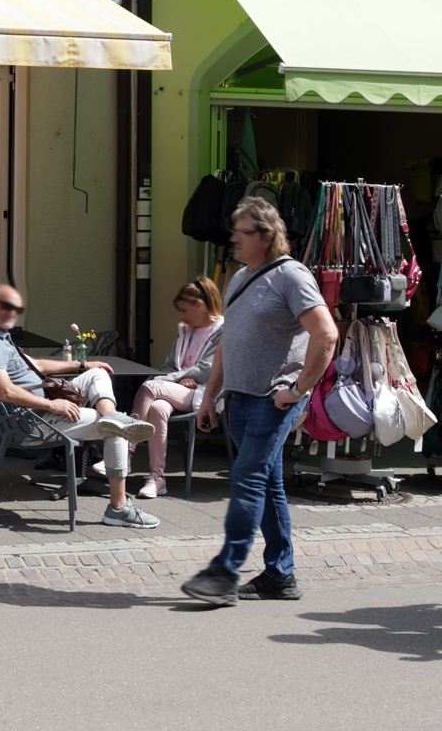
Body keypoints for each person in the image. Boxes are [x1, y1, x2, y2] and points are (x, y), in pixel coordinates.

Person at [182, 198, 338, 607]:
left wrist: (298, 390)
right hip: (240, 399)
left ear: (266, 237)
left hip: (274, 401)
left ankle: (223, 573)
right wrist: (209, 396)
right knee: (267, 485)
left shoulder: (292, 277)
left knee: (248, 480)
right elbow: (225, 345)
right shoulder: (238, 279)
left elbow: (326, 335)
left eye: (242, 231)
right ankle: (280, 576)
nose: (233, 237)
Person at [0, 284, 161, 530]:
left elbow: (36, 364)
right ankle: (119, 509)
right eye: (4, 306)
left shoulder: (0, 337)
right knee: (116, 431)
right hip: (33, 422)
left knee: (98, 374)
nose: (11, 312)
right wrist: (52, 404)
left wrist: (84, 365)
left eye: (15, 307)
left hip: (41, 412)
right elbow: (5, 391)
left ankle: (112, 416)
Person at [124, 277, 224, 498]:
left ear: (200, 305)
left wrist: (170, 380)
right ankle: (157, 478)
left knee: (150, 386)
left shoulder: (221, 330)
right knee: (158, 408)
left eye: (184, 310)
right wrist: (177, 379)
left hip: (204, 394)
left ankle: (125, 453)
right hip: (178, 391)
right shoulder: (185, 331)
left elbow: (206, 370)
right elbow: (170, 365)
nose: (181, 316)